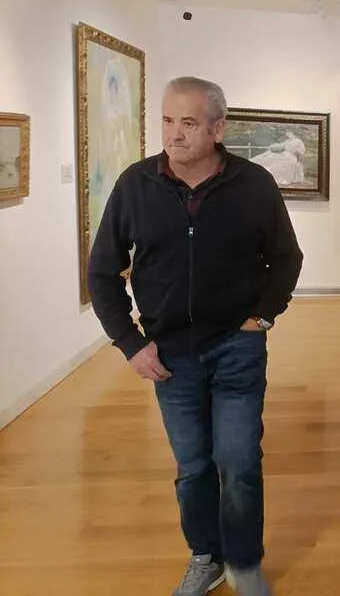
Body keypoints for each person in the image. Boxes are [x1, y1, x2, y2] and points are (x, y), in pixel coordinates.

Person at [87, 76, 304, 596]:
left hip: (236, 346)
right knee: (193, 466)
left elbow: (286, 259)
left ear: (217, 128)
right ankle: (206, 556)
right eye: (167, 120)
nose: (174, 134)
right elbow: (101, 272)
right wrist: (131, 343)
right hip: (170, 355)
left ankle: (244, 561)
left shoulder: (253, 184)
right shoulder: (135, 185)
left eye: (188, 123)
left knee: (240, 461)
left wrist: (261, 318)